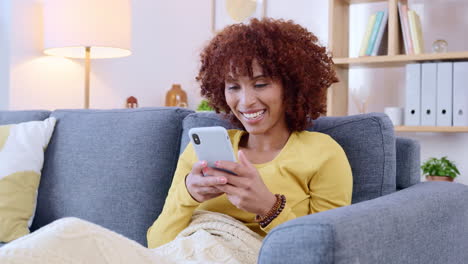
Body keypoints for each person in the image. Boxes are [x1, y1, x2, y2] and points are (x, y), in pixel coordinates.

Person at [147, 18, 353, 248]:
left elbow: (325, 250)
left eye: (261, 84)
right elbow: (156, 244)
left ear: (292, 87)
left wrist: (269, 208)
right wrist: (188, 195)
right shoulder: (198, 154)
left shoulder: (322, 153)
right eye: (233, 87)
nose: (245, 102)